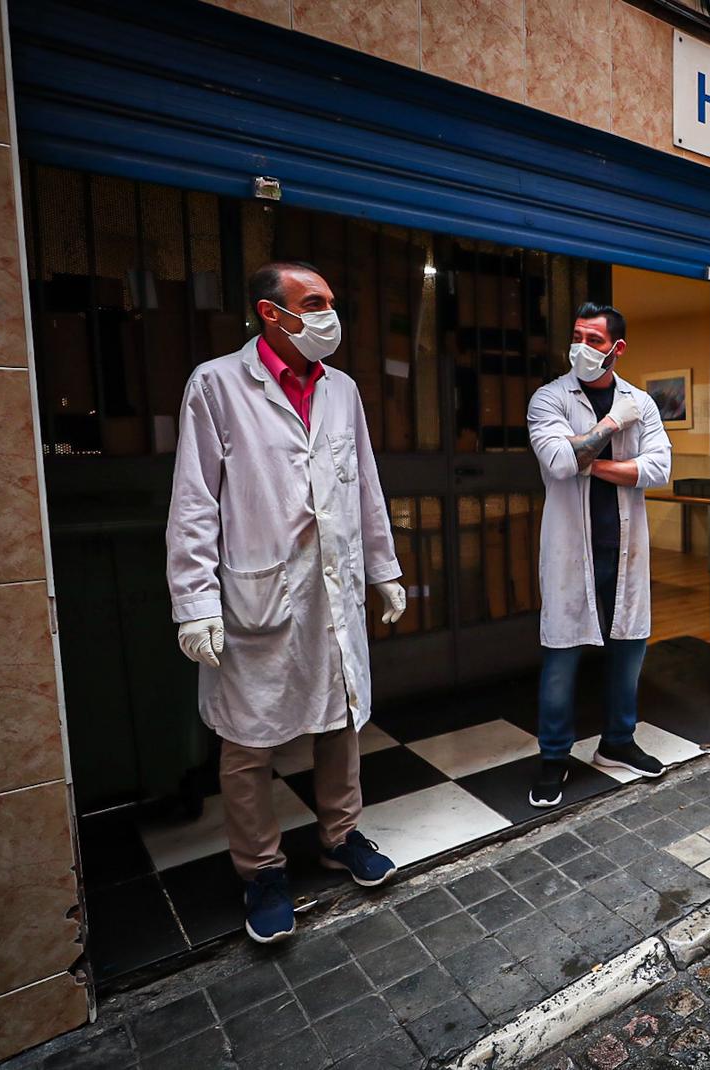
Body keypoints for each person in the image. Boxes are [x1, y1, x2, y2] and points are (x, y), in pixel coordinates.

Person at [166, 261, 407, 944]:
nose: (332, 313)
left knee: (340, 719)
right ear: (272, 313)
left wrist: (384, 568)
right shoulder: (216, 385)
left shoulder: (344, 391)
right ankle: (262, 870)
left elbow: (365, 485)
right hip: (256, 590)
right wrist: (195, 602)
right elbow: (193, 503)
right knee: (248, 742)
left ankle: (341, 836)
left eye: (331, 299)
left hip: (330, 587)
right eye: (315, 302)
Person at [526, 302, 673, 807]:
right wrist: (611, 425)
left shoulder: (644, 403)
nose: (582, 348)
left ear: (617, 348)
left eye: (594, 339)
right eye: (577, 336)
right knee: (562, 656)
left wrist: (590, 459)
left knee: (628, 648)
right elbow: (558, 461)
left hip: (624, 550)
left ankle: (617, 742)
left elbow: (658, 470)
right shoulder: (549, 398)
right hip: (572, 551)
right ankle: (553, 757)